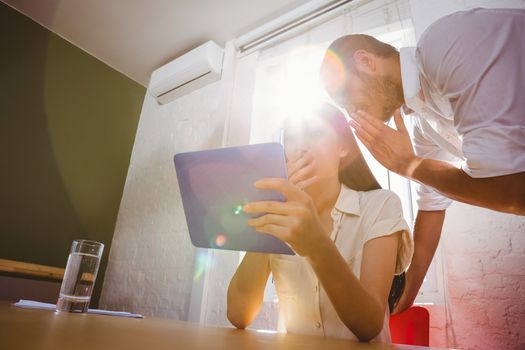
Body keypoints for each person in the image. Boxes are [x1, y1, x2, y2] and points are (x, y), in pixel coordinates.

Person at [319, 7, 525, 314]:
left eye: (347, 96)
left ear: (366, 61)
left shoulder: (443, 44)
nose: (353, 113)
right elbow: (432, 206)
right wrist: (409, 293)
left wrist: (410, 166)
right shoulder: (423, 124)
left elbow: (513, 191)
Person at [226, 103, 413, 342]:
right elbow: (238, 315)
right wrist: (271, 215)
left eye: (314, 134)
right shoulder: (277, 213)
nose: (300, 146)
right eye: (292, 137)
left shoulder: (381, 205)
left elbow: (369, 325)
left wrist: (315, 243)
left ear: (343, 147)